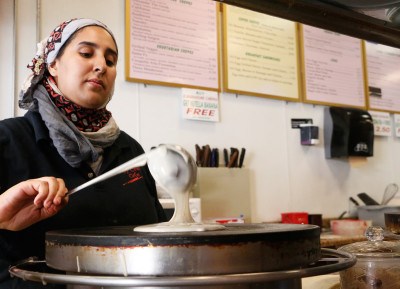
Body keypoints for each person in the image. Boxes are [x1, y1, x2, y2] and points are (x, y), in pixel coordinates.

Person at [0, 18, 166, 288]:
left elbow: (157, 232)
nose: (101, 65)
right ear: (52, 64)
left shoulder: (130, 150)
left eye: (110, 61)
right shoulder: (8, 141)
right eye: (86, 53)